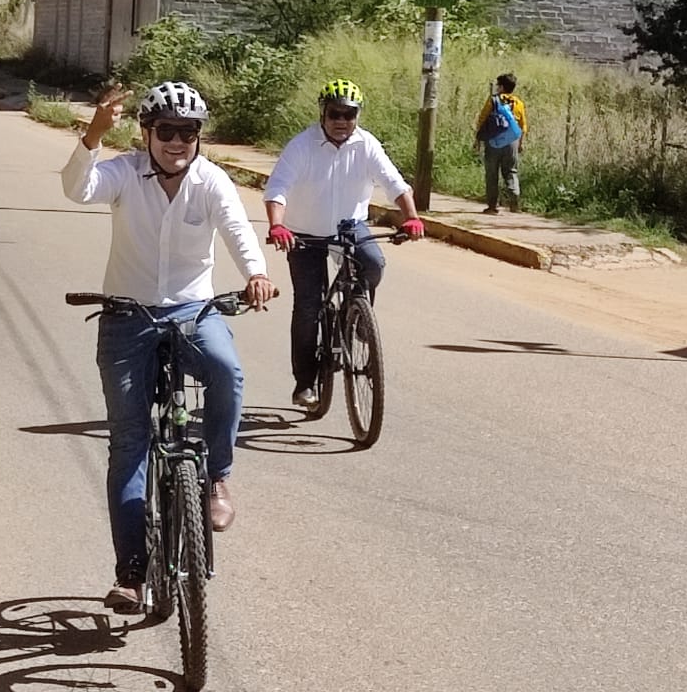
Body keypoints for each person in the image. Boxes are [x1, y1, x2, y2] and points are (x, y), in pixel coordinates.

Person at [62, 80, 276, 614]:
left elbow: (237, 230)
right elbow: (75, 189)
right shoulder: (122, 172)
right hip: (126, 316)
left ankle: (217, 479)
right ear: (147, 133)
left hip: (191, 312)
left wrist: (256, 274)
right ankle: (131, 573)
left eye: (188, 132)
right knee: (130, 441)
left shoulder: (211, 180)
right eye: (166, 131)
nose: (177, 142)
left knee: (227, 372)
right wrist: (91, 137)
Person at [263, 79, 424, 411]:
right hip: (304, 233)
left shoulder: (366, 144)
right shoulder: (302, 145)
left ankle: (357, 315)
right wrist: (277, 225)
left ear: (357, 116)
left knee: (375, 263)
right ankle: (305, 383)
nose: (341, 122)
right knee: (308, 307)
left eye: (349, 115)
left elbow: (394, 183)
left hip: (350, 227)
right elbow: (278, 187)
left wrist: (412, 217)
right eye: (335, 113)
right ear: (323, 113)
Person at [474, 72, 528, 214]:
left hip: (493, 141)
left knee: (492, 173)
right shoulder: (519, 103)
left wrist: (478, 139)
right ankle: (514, 201)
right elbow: (523, 126)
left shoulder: (493, 101)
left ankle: (492, 206)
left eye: (498, 85)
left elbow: (482, 119)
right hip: (512, 142)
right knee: (511, 171)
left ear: (502, 87)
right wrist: (520, 144)